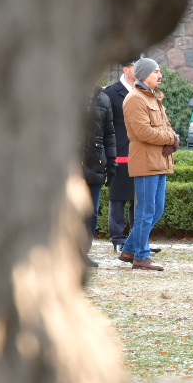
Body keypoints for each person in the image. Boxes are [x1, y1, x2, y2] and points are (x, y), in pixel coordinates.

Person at [119, 58, 176, 271]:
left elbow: (167, 126)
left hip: (159, 160)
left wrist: (173, 136)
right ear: (143, 75)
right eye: (155, 72)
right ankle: (141, 257)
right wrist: (171, 139)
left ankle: (129, 250)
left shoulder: (153, 97)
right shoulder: (134, 99)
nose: (160, 75)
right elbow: (143, 132)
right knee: (145, 211)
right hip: (145, 161)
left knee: (156, 210)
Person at [102, 60, 138, 251]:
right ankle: (117, 238)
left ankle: (135, 239)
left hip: (139, 153)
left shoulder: (142, 91)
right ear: (126, 70)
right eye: (135, 67)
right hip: (119, 153)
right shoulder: (110, 93)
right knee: (117, 199)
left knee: (137, 199)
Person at [82, 85, 116, 255]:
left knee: (92, 212)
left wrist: (111, 162)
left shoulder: (103, 99)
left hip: (95, 162)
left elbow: (109, 134)